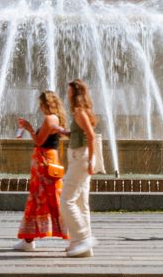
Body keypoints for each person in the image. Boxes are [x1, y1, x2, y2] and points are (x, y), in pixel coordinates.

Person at [13, 90, 69, 253]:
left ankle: (29, 241)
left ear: (46, 104)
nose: (39, 107)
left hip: (44, 164)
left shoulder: (50, 118)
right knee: (46, 200)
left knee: (42, 199)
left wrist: (29, 128)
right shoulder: (56, 118)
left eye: (41, 104)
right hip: (47, 161)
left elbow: (39, 141)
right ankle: (28, 239)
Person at [60, 79, 98, 258]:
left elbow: (91, 136)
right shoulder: (80, 112)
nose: (66, 94)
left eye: (69, 91)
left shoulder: (79, 111)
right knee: (82, 203)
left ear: (75, 93)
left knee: (66, 200)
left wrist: (91, 161)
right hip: (80, 157)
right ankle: (81, 245)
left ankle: (83, 238)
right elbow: (82, 133)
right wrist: (65, 132)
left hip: (80, 158)